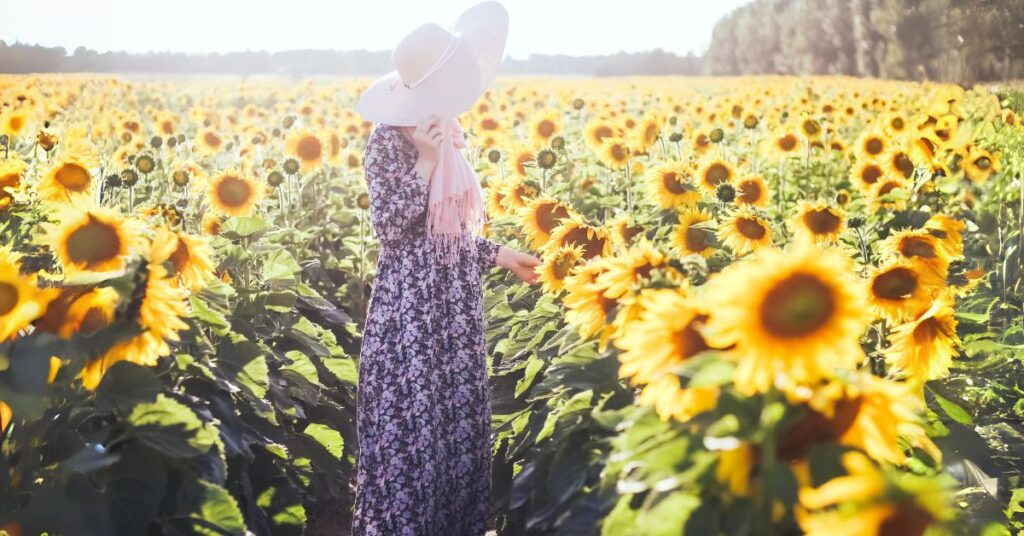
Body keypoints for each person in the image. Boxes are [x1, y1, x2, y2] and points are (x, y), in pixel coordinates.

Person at [351, 2, 540, 534]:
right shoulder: (389, 138)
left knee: (455, 423)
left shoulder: (448, 127)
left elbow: (448, 231)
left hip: (453, 305)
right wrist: (427, 161)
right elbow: (390, 229)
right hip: (410, 308)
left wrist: (501, 255)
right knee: (411, 425)